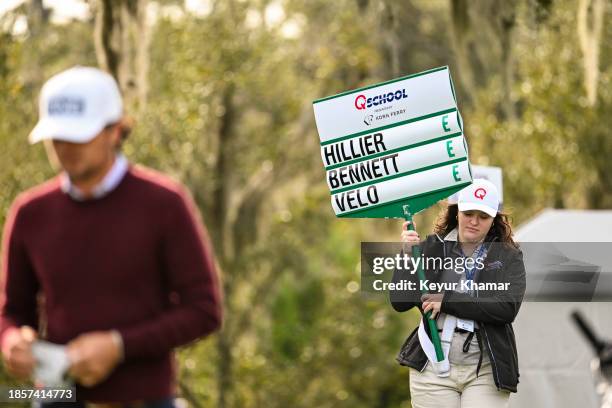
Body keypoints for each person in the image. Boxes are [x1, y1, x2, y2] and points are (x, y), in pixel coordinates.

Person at [0, 66, 223, 406]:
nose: (65, 147)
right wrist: (12, 338)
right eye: (57, 137)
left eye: (79, 136)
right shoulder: (30, 213)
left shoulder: (164, 204)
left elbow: (204, 310)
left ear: (115, 131)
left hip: (146, 400)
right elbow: (11, 310)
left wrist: (118, 346)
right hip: (58, 398)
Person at [390, 179, 526, 408]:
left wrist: (447, 300)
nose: (474, 222)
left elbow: (506, 308)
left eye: (483, 216)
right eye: (468, 213)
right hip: (432, 368)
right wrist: (405, 256)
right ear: (457, 213)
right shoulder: (431, 248)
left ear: (493, 220)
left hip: (484, 372)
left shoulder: (509, 256)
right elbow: (400, 301)